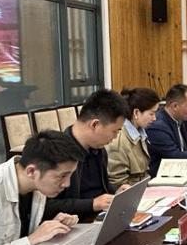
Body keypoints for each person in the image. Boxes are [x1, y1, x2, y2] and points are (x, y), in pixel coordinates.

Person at [45, 89, 129, 217]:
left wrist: (116, 192)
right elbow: (45, 207)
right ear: (95, 125)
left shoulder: (98, 150)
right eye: (114, 131)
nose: (115, 137)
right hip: (75, 223)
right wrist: (92, 204)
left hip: (100, 217)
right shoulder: (56, 153)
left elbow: (100, 187)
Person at [106, 87, 161, 188]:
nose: (154, 118)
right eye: (151, 113)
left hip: (143, 189)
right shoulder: (118, 139)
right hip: (131, 193)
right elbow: (118, 182)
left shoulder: (140, 132)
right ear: (136, 113)